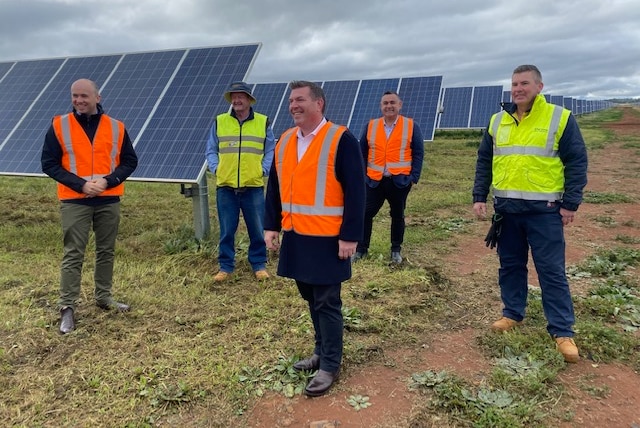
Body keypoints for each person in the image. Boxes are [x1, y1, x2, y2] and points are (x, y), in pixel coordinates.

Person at [472, 65, 588, 363]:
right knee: (510, 266)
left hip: (544, 212)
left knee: (551, 272)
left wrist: (571, 203)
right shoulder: (497, 121)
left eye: (524, 83)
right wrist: (479, 196)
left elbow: (577, 161)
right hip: (507, 210)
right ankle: (513, 313)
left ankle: (562, 330)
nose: (518, 89)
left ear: (539, 86)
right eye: (514, 84)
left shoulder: (559, 118)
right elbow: (485, 159)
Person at [264, 81, 365, 397]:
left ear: (319, 103)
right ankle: (321, 351)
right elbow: (275, 189)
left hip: (328, 238)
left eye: (300, 99)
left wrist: (350, 235)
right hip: (296, 235)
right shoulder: (284, 141)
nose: (293, 105)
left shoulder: (340, 138)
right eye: (291, 100)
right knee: (310, 297)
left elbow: (356, 191)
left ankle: (330, 365)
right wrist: (271, 226)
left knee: (327, 301)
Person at [41, 78, 138, 335]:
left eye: (84, 96)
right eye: (75, 96)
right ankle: (67, 308)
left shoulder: (116, 127)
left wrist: (109, 180)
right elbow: (49, 164)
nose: (79, 101)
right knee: (74, 252)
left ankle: (104, 298)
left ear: (98, 97)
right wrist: (80, 185)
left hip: (108, 199)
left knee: (106, 250)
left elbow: (129, 161)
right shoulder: (59, 126)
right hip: (75, 200)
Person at [205, 82, 275, 282]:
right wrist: (215, 167)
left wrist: (264, 169)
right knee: (227, 229)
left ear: (249, 100)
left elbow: (270, 148)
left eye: (241, 96)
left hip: (252, 185)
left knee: (257, 228)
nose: (237, 100)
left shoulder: (262, 122)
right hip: (225, 186)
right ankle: (225, 266)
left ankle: (259, 264)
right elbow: (211, 148)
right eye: (233, 97)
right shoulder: (220, 121)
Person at [353, 90, 424, 264]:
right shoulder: (371, 125)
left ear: (400, 105)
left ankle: (395, 250)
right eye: (385, 103)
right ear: (381, 106)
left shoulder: (410, 125)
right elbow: (362, 151)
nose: (389, 106)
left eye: (392, 102)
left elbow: (418, 152)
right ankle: (361, 249)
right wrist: (363, 175)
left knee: (397, 215)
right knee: (365, 213)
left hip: (399, 181)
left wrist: (414, 177)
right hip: (374, 180)